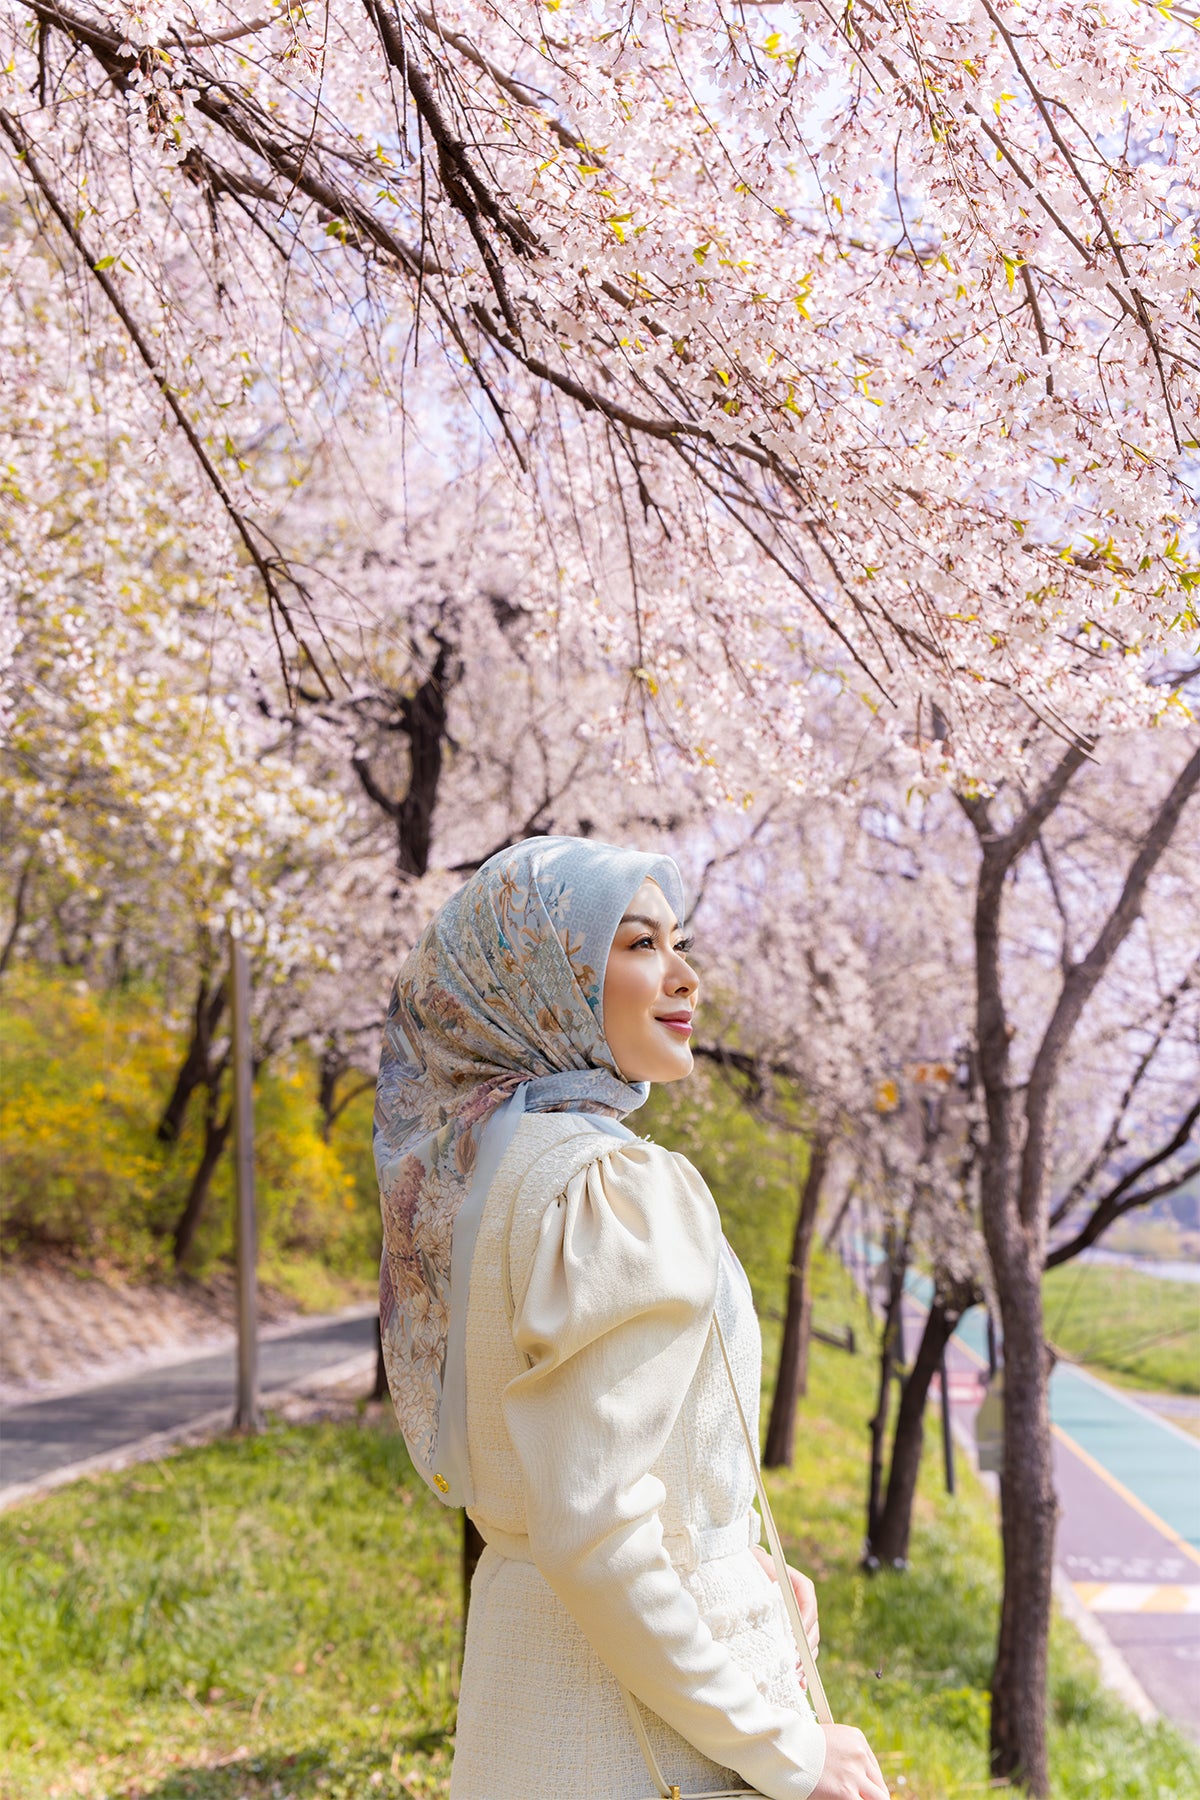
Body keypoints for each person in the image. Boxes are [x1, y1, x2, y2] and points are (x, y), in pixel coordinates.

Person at [375, 835, 889, 1800]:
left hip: (521, 1693)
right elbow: (596, 1528)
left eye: (678, 941)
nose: (685, 975)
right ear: (542, 978)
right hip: (645, 1725)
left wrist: (737, 1551)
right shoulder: (615, 1185)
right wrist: (789, 1748)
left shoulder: (479, 1174)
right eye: (639, 943)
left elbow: (558, 1490)